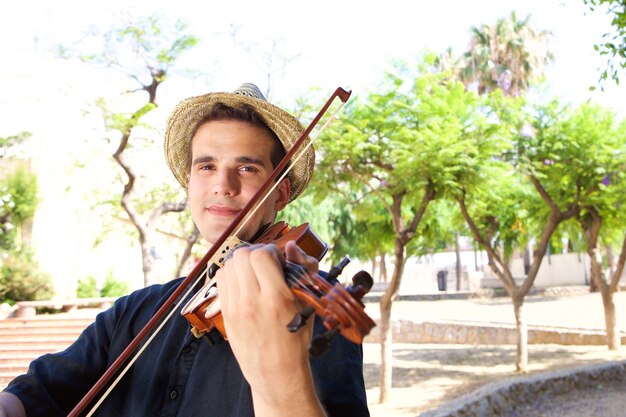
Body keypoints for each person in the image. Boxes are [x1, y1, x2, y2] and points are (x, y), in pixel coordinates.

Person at [0, 83, 369, 416]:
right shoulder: (134, 312)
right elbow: (35, 393)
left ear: (281, 194)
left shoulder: (304, 307)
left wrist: (281, 381)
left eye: (247, 168)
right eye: (206, 166)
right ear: (189, 185)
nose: (223, 185)